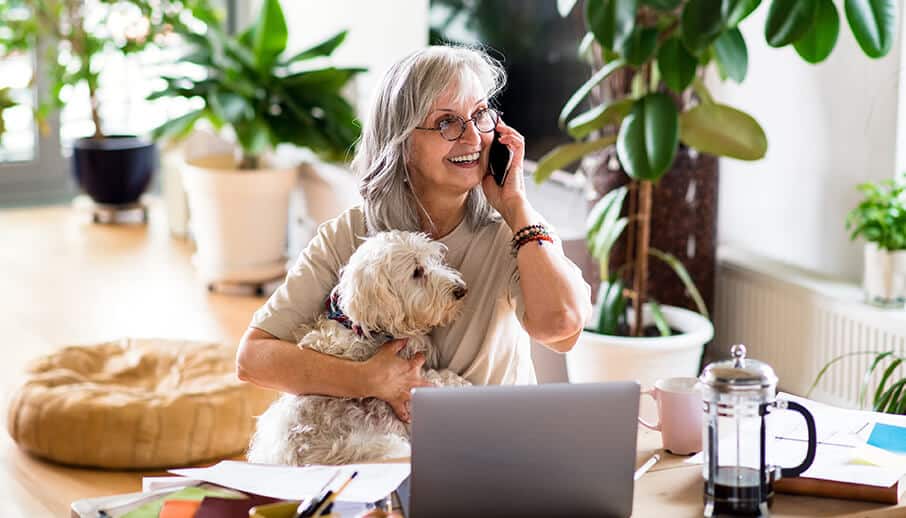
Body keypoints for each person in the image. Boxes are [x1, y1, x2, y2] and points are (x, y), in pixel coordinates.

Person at [236, 45, 592, 423]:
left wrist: (517, 205)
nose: (473, 138)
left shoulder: (518, 231)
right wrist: (367, 379)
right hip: (385, 458)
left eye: (480, 115)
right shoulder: (350, 233)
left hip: (493, 444)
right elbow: (254, 359)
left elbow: (562, 329)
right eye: (447, 123)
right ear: (402, 141)